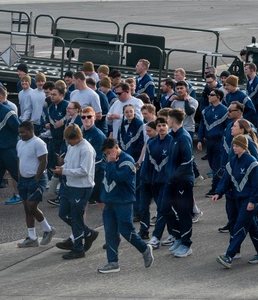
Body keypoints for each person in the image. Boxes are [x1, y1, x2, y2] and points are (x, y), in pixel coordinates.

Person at [97, 138, 154, 273]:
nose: (108, 156)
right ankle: (112, 262)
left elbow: (117, 177)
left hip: (123, 202)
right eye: (106, 154)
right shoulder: (109, 159)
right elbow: (107, 179)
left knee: (126, 231)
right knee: (110, 232)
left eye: (110, 152)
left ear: (117, 147)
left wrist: (111, 163)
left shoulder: (127, 161)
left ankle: (144, 249)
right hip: (110, 201)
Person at [213, 134, 258, 267]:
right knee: (252, 227)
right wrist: (218, 193)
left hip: (247, 201)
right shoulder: (232, 162)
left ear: (244, 147)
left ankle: (229, 256)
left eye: (237, 146)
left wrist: (252, 201)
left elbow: (257, 185)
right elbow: (226, 180)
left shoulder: (252, 163)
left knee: (240, 227)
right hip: (237, 200)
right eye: (233, 145)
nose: (235, 148)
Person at [53, 124, 98, 259]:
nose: (68, 142)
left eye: (69, 140)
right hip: (70, 185)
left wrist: (64, 171)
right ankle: (88, 233)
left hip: (82, 188)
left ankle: (78, 248)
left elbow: (84, 171)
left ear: (77, 137)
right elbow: (68, 162)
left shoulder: (87, 150)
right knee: (63, 213)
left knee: (76, 217)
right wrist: (62, 168)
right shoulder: (71, 146)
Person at [161, 109, 196, 258]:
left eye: (168, 119)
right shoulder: (172, 137)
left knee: (184, 212)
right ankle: (178, 236)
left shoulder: (183, 137)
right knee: (164, 208)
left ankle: (186, 244)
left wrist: (174, 176)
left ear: (172, 120)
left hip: (183, 181)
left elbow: (188, 161)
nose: (166, 121)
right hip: (171, 181)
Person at [14, 121, 55, 247]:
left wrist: (36, 179)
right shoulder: (20, 143)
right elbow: (20, 160)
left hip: (37, 179)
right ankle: (32, 238)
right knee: (27, 208)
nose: (20, 134)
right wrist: (19, 178)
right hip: (24, 180)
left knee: (32, 206)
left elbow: (43, 162)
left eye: (23, 132)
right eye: (19, 132)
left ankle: (48, 229)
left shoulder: (38, 143)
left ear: (30, 131)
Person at [0, 93, 20, 212]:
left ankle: (32, 197)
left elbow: (19, 130)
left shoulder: (8, 113)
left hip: (9, 150)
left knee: (17, 175)